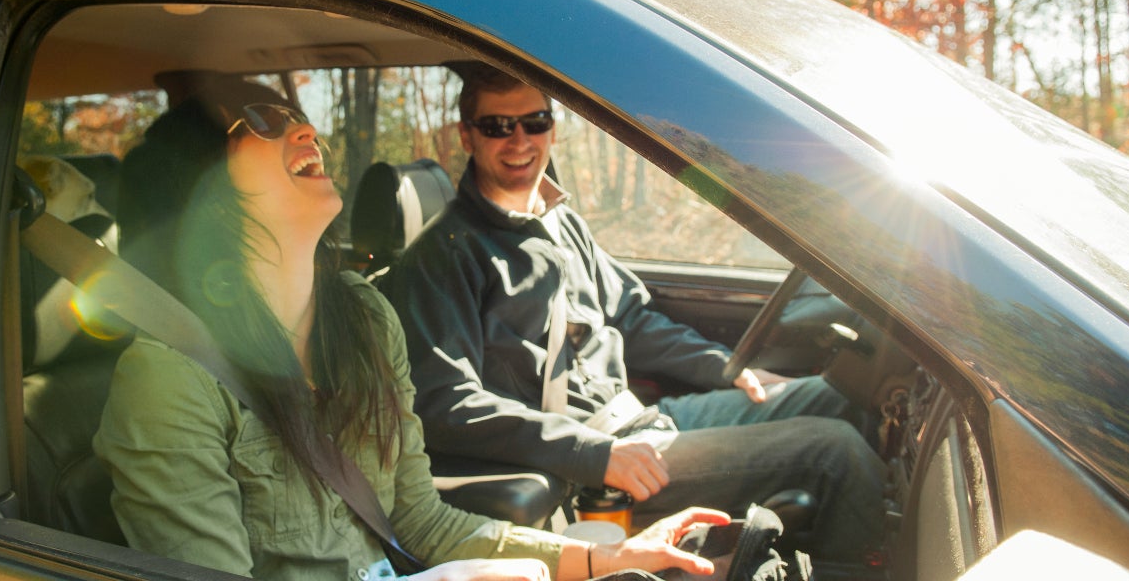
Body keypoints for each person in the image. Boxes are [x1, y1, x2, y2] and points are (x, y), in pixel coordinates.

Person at [91, 76, 730, 581]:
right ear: (199, 187)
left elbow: (420, 523)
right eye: (263, 122)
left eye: (295, 114)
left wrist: (603, 559)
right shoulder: (169, 379)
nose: (307, 130)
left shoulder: (363, 317)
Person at [378, 64, 886, 563]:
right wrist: (592, 455)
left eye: (534, 122)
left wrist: (728, 368)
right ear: (467, 136)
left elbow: (632, 318)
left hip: (642, 420)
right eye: (497, 126)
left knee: (838, 397)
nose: (519, 140)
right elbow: (446, 405)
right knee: (834, 451)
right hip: (586, 463)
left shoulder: (561, 222)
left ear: (553, 128)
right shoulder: (443, 258)